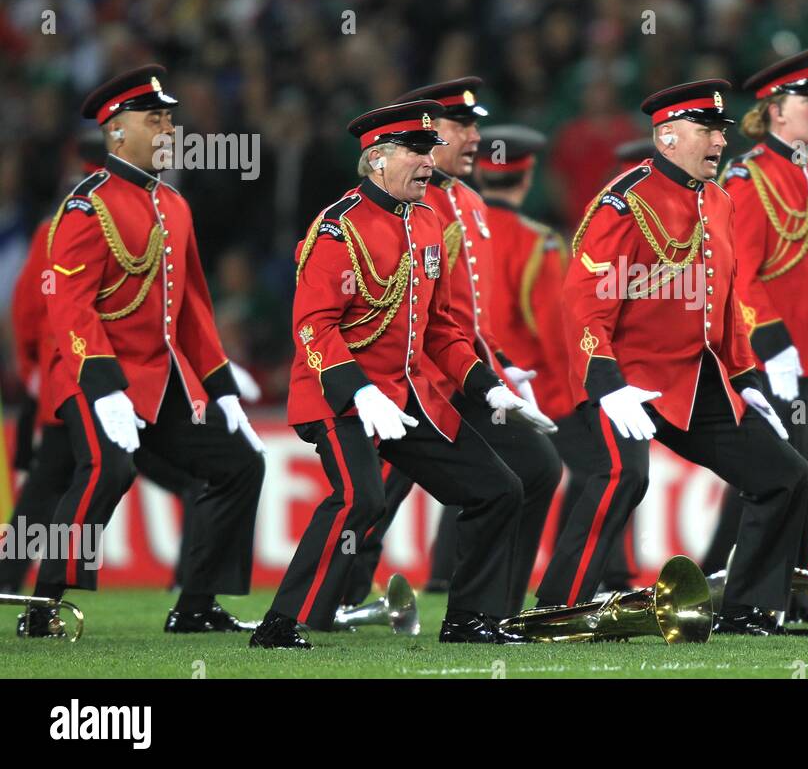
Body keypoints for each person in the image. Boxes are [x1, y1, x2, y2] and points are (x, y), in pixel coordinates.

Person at [250, 100, 541, 648]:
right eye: (416, 151)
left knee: (497, 489)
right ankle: (279, 624)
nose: (429, 162)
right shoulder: (337, 228)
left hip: (407, 395)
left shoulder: (427, 222)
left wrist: (489, 386)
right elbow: (313, 328)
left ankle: (467, 621)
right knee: (361, 499)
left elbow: (441, 330)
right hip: (335, 394)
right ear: (377, 159)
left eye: (431, 150)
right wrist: (359, 392)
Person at [533, 80, 808, 636]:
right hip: (627, 380)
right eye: (706, 131)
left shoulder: (720, 200)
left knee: (784, 473)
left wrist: (746, 377)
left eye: (720, 131)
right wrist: (606, 384)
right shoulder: (622, 201)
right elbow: (584, 302)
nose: (717, 141)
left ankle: (747, 608)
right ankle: (557, 609)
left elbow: (727, 301)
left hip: (697, 378)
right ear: (667, 136)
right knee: (621, 476)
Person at [23, 65, 265, 638]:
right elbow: (71, 309)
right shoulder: (86, 207)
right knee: (108, 468)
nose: (167, 128)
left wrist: (223, 390)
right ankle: (43, 608)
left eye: (169, 118)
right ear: (114, 131)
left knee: (240, 466)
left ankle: (196, 606)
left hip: (159, 381)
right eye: (153, 118)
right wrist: (105, 388)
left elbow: (193, 311)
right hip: (92, 374)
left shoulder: (174, 206)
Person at [341, 80, 560, 616]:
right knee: (372, 498)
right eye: (462, 127)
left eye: (474, 126)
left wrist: (499, 368)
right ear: (430, 134)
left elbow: (464, 309)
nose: (474, 138)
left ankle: (497, 602)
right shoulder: (415, 202)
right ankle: (330, 605)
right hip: (418, 378)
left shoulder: (466, 201)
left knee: (531, 469)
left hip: (460, 371)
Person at [713, 49, 808, 621]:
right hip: (777, 360)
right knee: (779, 483)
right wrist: (772, 347)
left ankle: (790, 598)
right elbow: (740, 272)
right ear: (776, 110)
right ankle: (749, 600)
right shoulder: (748, 177)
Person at [475, 124, 639, 591]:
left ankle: (448, 572)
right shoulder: (536, 242)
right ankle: (599, 571)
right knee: (598, 469)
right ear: (527, 177)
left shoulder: (458, 233)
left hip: (472, 379)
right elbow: (553, 328)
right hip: (539, 389)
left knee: (486, 474)